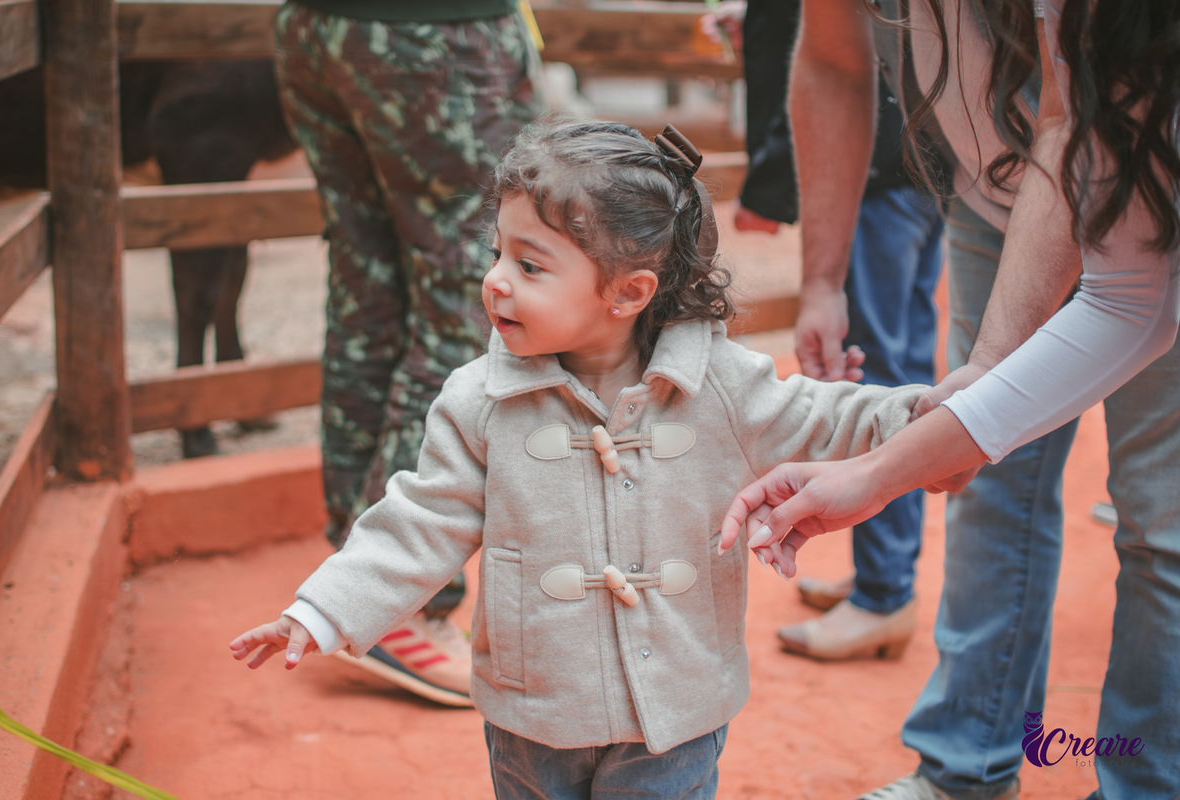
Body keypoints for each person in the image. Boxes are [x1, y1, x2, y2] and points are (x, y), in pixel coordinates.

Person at [229, 119, 930, 798]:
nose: (498, 280)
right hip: (535, 714)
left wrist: (933, 418)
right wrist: (323, 612)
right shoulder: (480, 400)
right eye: (499, 253)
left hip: (675, 712)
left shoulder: (718, 384)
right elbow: (420, 519)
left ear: (629, 293)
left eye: (530, 265)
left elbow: (823, 416)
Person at [720, 1, 1180, 799]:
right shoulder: (1062, 97)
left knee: (1161, 512)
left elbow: (1129, 298)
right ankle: (965, 764)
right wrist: (826, 284)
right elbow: (834, 59)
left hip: (1148, 205)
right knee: (989, 467)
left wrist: (883, 471)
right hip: (1004, 190)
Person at [272, 0, 542, 705]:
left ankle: (357, 566)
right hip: (433, 31)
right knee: (469, 296)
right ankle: (399, 598)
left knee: (368, 283)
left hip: (317, 25)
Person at [707, 0, 946, 659]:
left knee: (878, 370)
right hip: (927, 160)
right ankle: (882, 575)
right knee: (904, 360)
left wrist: (767, 186)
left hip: (873, 170)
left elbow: (812, 51)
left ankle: (884, 592)